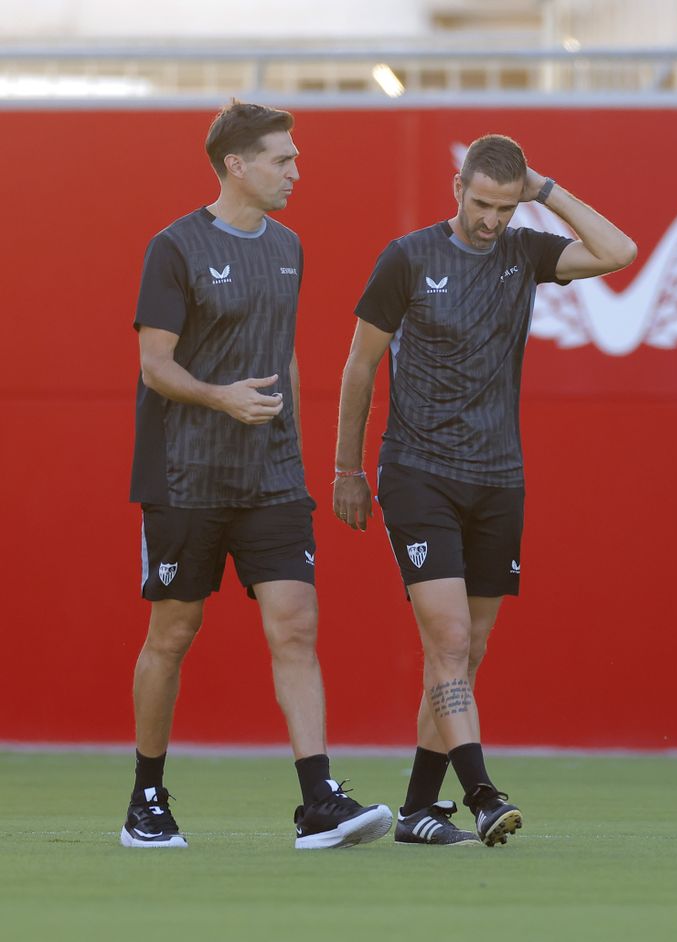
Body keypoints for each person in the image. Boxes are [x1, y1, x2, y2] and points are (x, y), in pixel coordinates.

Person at [333, 133, 635, 846]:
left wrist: (546, 190)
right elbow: (359, 366)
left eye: (505, 206)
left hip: (499, 479)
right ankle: (482, 794)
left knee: (466, 656)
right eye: (481, 204)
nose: (492, 220)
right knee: (449, 640)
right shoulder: (408, 258)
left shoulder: (524, 253)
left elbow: (618, 251)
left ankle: (416, 810)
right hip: (419, 473)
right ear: (458, 189)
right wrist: (348, 470)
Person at [126, 101, 392, 849]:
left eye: (295, 158)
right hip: (185, 476)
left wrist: (299, 458)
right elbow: (154, 365)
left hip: (272, 480)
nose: (296, 171)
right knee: (174, 632)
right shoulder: (174, 247)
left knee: (296, 627)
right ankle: (146, 797)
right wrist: (222, 397)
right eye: (283, 159)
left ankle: (319, 802)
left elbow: (285, 352)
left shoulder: (288, 246)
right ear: (236, 165)